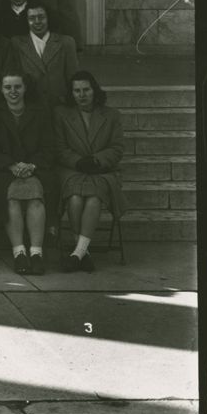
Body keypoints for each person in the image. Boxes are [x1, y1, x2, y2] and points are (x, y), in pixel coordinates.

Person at [0, 72, 56, 275]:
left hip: (35, 169)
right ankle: (19, 252)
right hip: (3, 171)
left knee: (36, 197)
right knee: (12, 198)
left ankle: (36, 252)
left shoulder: (40, 112)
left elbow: (49, 147)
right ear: (1, 89)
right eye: (8, 87)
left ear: (25, 88)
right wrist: (11, 165)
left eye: (17, 87)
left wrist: (32, 166)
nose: (12, 92)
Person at [55, 71, 126, 273]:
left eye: (86, 89)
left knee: (94, 197)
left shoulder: (111, 115)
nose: (81, 94)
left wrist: (97, 160)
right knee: (75, 198)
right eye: (76, 90)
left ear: (94, 90)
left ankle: (77, 254)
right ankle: (82, 252)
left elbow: (117, 147)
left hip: (102, 171)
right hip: (73, 170)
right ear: (71, 93)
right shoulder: (61, 114)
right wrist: (78, 162)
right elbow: (59, 148)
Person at [10, 2, 79, 106]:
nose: (37, 21)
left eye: (41, 17)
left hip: (59, 106)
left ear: (48, 18)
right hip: (30, 106)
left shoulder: (66, 42)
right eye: (32, 18)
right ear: (26, 21)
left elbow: (73, 77)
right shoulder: (16, 44)